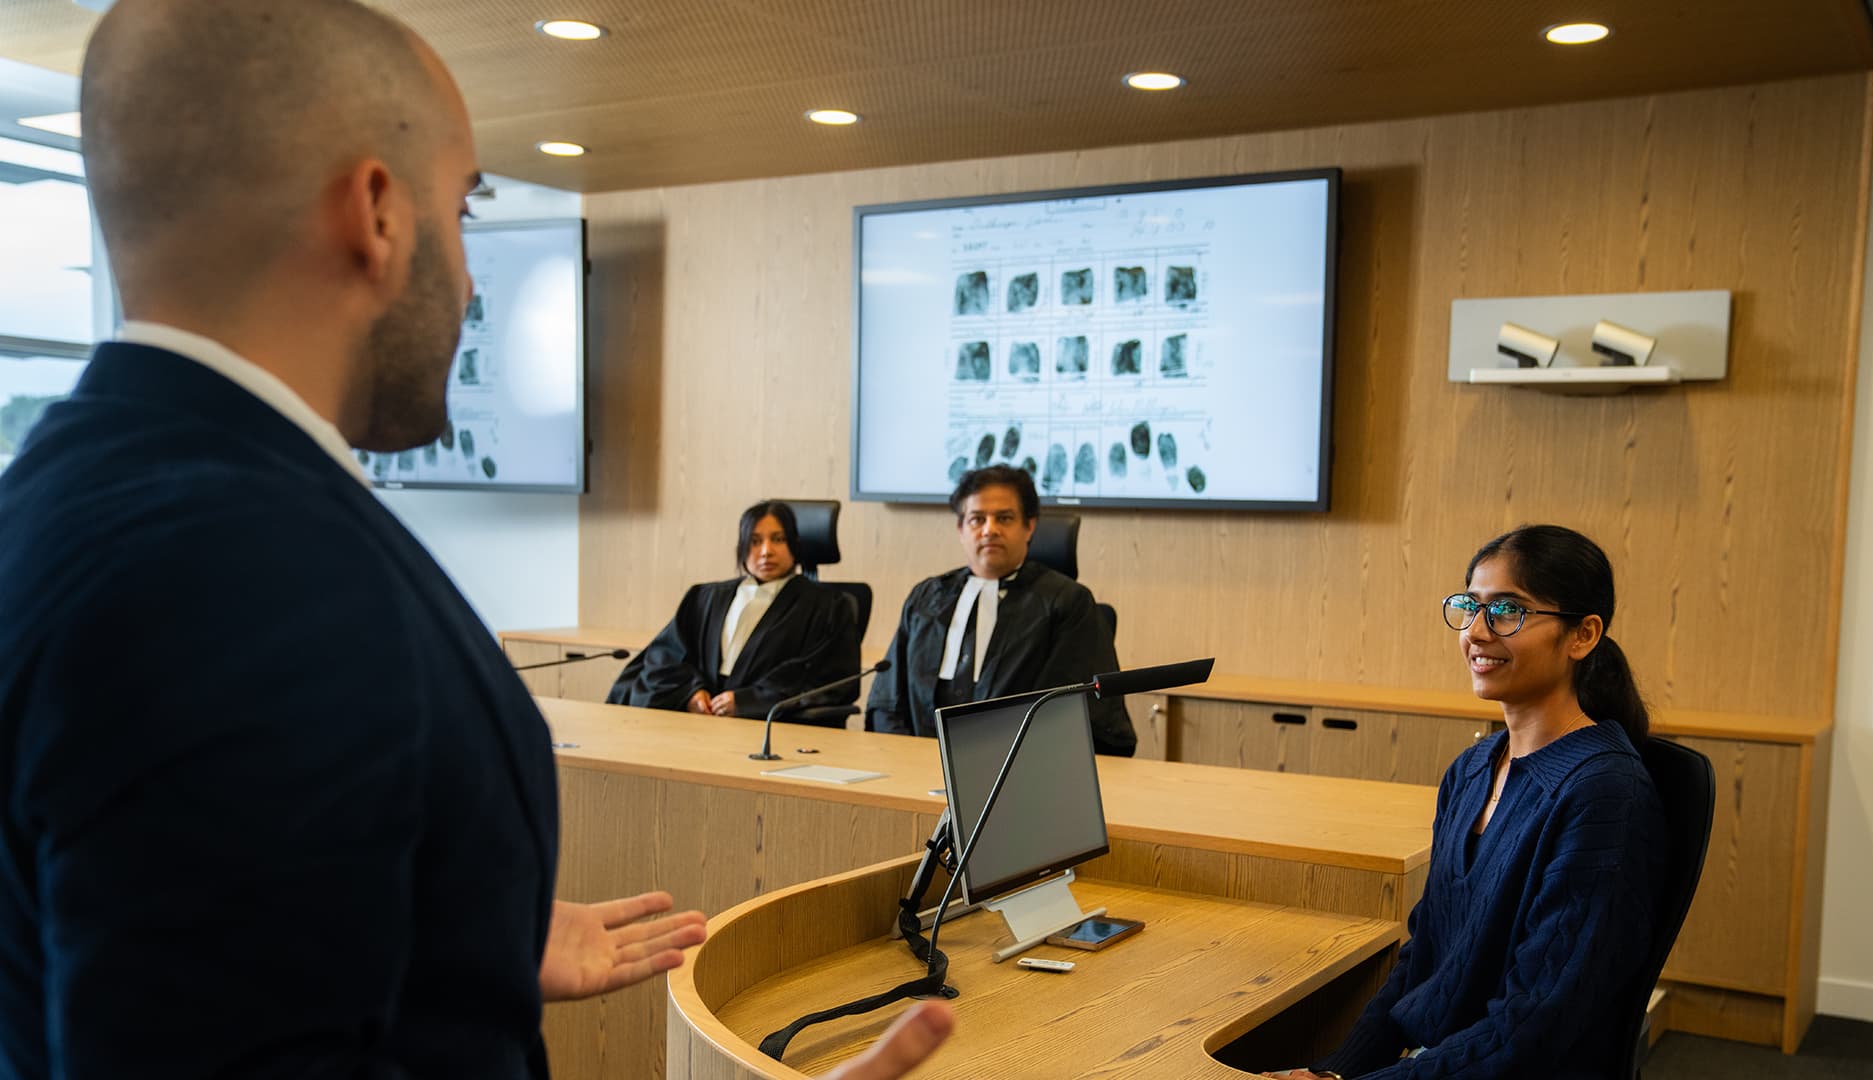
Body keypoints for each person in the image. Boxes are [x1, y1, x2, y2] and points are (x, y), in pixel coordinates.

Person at [0, 2, 947, 1078]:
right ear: (375, 212)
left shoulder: (66, 491)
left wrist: (437, 929)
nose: (466, 277)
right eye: (464, 211)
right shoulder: (242, 574)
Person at [1267, 525, 1666, 1080]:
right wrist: (1332, 1071)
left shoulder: (1603, 793)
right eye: (1470, 608)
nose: (1477, 632)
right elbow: (1425, 957)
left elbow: (1533, 1025)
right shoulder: (1472, 771)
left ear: (1582, 635)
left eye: (1508, 611)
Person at [866, 464, 1136, 756]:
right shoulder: (927, 597)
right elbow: (887, 702)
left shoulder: (1067, 602)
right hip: (916, 767)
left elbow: (1066, 715)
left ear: (1029, 526)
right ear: (960, 528)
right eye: (977, 519)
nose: (989, 530)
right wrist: (904, 759)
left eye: (1004, 518)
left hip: (1016, 773)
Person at [607, 500, 860, 720]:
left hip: (768, 728)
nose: (766, 551)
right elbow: (665, 657)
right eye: (755, 541)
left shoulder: (828, 607)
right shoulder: (706, 598)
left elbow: (823, 677)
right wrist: (691, 693)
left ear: (795, 545)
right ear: (741, 548)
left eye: (778, 539)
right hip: (698, 721)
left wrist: (748, 701)